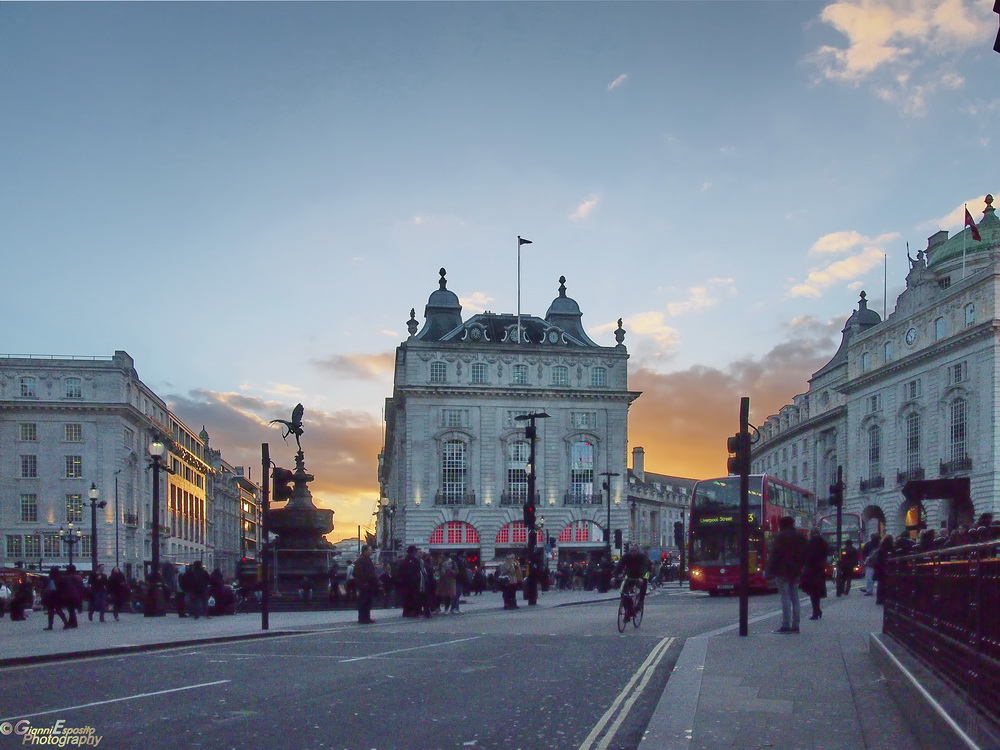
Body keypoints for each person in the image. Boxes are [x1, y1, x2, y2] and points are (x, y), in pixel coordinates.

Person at [765, 516, 808, 634]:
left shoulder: (781, 537)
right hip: (796, 571)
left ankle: (786, 625)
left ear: (782, 525)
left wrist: (769, 570)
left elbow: (775, 554)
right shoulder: (801, 537)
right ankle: (796, 625)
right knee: (795, 598)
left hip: (782, 570)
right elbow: (806, 554)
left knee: (785, 597)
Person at [799, 528, 829, 620]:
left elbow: (808, 555)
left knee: (812, 592)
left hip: (811, 570)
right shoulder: (823, 542)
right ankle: (817, 610)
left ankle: (815, 612)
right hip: (820, 569)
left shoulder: (812, 542)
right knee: (816, 592)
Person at [614, 545, 652, 614]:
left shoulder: (642, 557)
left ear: (638, 551)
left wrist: (641, 577)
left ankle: (641, 601)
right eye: (631, 551)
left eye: (634, 551)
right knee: (623, 591)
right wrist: (614, 576)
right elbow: (620, 565)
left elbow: (644, 567)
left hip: (643, 573)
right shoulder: (626, 556)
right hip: (630, 574)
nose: (633, 553)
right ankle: (628, 610)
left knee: (644, 582)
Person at [353, 544, 379, 624]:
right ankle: (362, 618)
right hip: (364, 584)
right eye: (370, 550)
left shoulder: (368, 560)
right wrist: (363, 582)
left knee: (368, 602)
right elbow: (357, 573)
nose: (371, 551)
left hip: (369, 584)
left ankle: (367, 617)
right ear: (365, 551)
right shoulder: (360, 561)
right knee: (363, 601)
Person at [398, 545, 424, 618]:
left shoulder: (406, 559)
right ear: (414, 552)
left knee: (408, 597)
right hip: (412, 582)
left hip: (407, 582)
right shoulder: (412, 559)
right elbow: (413, 571)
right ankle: (412, 612)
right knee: (413, 597)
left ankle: (407, 611)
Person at [873, 534, 894, 605]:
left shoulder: (881, 548)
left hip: (879, 568)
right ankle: (886, 598)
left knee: (881, 584)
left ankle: (879, 599)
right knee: (886, 583)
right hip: (886, 568)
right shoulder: (891, 548)